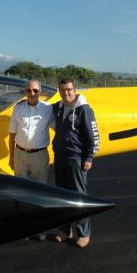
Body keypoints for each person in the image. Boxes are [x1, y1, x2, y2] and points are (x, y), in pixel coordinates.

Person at [51, 78, 100, 248]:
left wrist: (89, 157)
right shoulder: (58, 108)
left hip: (76, 158)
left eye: (69, 89)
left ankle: (83, 233)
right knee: (62, 195)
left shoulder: (84, 110)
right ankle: (65, 231)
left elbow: (94, 136)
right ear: (59, 91)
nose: (66, 93)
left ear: (75, 90)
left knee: (79, 196)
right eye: (63, 90)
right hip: (60, 157)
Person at [8, 79, 53, 241]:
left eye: (35, 90)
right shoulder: (18, 108)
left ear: (40, 91)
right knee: (20, 193)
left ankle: (40, 229)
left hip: (40, 155)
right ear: (25, 92)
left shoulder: (49, 109)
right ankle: (24, 229)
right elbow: (12, 134)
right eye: (28, 90)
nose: (32, 93)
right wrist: (11, 157)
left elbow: (61, 127)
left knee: (40, 193)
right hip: (20, 154)